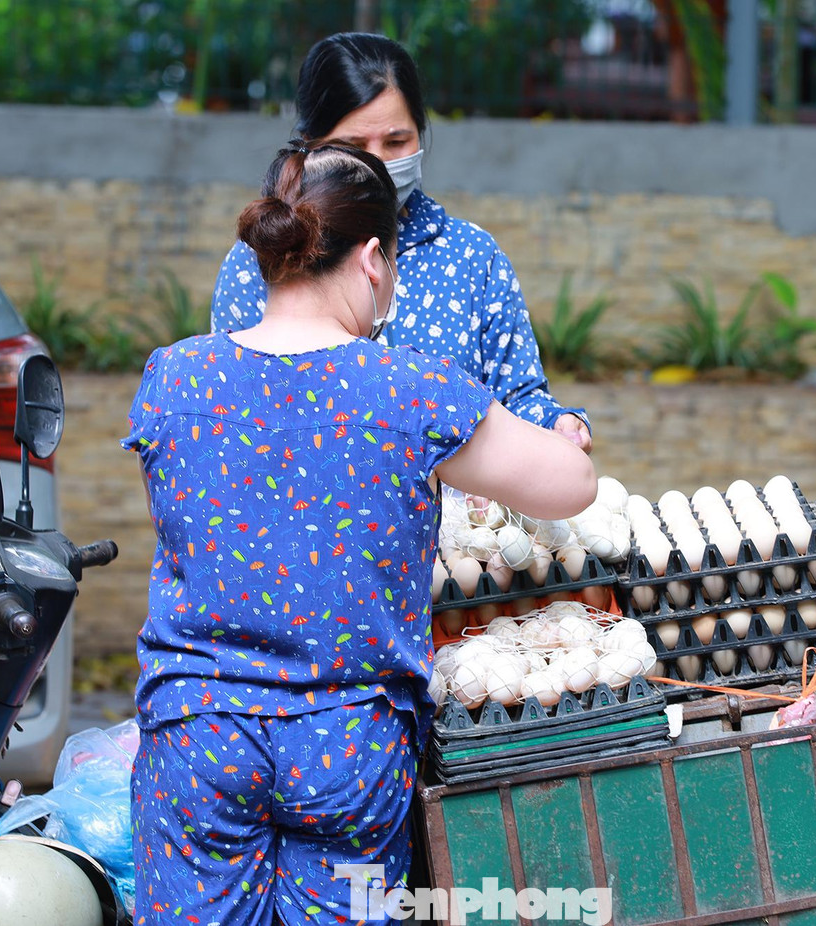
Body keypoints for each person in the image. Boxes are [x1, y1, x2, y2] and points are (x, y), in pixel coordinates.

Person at [123, 143, 596, 925]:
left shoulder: (173, 377)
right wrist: (565, 435)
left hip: (199, 732)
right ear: (373, 259)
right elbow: (570, 485)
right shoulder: (411, 390)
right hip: (348, 742)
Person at [212, 32, 594, 452]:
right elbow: (232, 408)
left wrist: (558, 425)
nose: (377, 162)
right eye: (353, 146)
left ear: (420, 134)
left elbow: (518, 398)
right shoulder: (264, 258)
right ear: (310, 145)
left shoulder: (471, 256)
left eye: (396, 142)